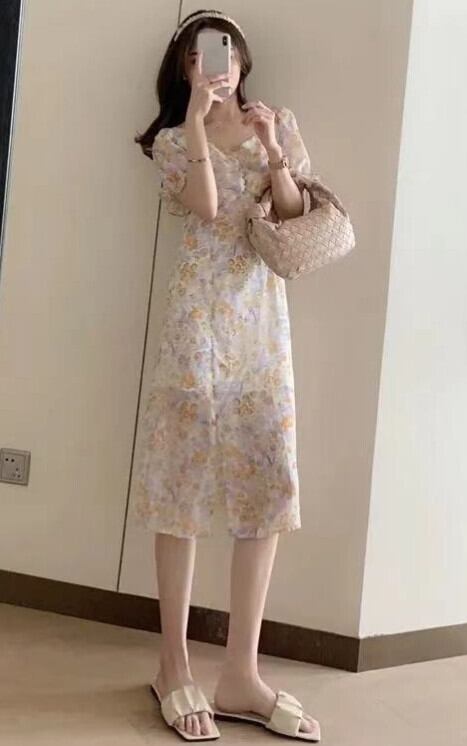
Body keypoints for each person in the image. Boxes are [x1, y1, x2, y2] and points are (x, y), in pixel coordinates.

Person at [132, 8, 319, 742]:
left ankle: (242, 672)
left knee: (266, 479)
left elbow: (293, 215)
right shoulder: (172, 141)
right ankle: (173, 664)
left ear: (243, 59)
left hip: (261, 323)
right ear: (185, 69)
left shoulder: (281, 124)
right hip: (195, 321)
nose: (216, 63)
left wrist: (272, 150)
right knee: (179, 481)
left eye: (226, 50)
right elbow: (207, 209)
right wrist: (199, 123)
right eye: (200, 55)